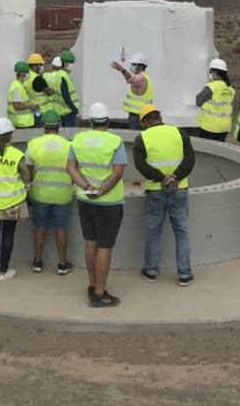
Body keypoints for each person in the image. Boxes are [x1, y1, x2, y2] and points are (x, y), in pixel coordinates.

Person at [67, 102, 127, 307]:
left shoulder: (78, 139)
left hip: (85, 199)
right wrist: (101, 190)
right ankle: (100, 295)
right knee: (105, 246)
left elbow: (70, 167)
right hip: (109, 202)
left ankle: (92, 285)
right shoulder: (115, 141)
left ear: (90, 121)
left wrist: (86, 186)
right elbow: (118, 172)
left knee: (90, 241)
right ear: (107, 121)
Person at [133, 105, 196, 285]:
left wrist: (162, 178)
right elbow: (190, 159)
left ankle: (151, 271)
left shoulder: (142, 138)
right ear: (159, 117)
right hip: (180, 188)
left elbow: (141, 166)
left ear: (144, 121)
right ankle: (185, 274)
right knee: (182, 231)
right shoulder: (179, 133)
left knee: (153, 232)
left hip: (155, 190)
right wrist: (176, 177)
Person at [0, 117, 32, 281]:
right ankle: (4, 270)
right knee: (8, 234)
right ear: (11, 135)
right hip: (11, 202)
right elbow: (26, 177)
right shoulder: (17, 155)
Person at [25, 109, 75, 275]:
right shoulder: (69, 145)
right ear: (59, 126)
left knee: (40, 227)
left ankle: (37, 262)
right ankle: (62, 264)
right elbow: (74, 170)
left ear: (43, 126)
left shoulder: (33, 144)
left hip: (40, 194)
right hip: (63, 195)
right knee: (61, 228)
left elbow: (28, 171)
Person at [110, 53, 153, 130]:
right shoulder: (145, 77)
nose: (131, 66)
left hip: (137, 117)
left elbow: (131, 79)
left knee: (135, 137)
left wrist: (121, 70)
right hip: (142, 115)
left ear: (141, 66)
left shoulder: (141, 78)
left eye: (133, 64)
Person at [50, 52, 80, 128]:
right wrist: (74, 109)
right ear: (66, 63)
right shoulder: (63, 76)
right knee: (71, 135)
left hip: (62, 111)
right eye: (71, 62)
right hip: (68, 112)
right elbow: (65, 95)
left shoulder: (61, 74)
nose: (72, 64)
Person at [6, 61, 36, 129]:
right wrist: (31, 106)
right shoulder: (16, 87)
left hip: (22, 122)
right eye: (27, 72)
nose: (28, 74)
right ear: (22, 73)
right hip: (22, 123)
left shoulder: (20, 85)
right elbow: (17, 106)